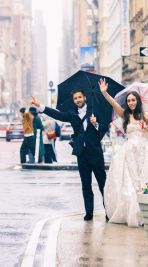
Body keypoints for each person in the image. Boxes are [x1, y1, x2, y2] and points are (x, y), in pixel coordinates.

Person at [99, 78, 148, 227]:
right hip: (128, 152)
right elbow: (114, 104)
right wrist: (104, 93)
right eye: (128, 101)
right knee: (128, 182)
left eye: (133, 100)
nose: (131, 103)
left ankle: (147, 212)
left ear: (138, 101)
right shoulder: (126, 115)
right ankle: (130, 213)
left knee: (145, 179)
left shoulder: (147, 116)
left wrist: (145, 128)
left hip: (144, 149)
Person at [30, 91, 108, 221]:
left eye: (79, 97)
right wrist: (40, 105)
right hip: (81, 153)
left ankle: (108, 211)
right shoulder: (72, 114)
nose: (78, 100)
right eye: (75, 98)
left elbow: (104, 127)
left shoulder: (95, 111)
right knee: (86, 184)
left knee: (102, 183)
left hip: (95, 153)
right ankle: (89, 212)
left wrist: (96, 123)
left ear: (85, 97)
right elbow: (57, 114)